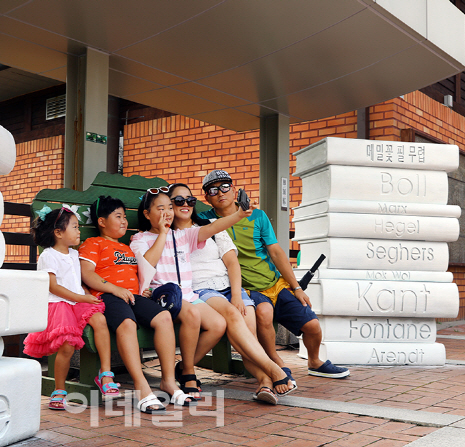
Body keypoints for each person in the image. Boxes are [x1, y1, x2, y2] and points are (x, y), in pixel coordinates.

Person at [131, 186, 294, 399]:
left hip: (187, 294)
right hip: (163, 296)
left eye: (169, 207)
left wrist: (239, 214)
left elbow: (212, 228)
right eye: (161, 208)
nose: (168, 212)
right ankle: (189, 370)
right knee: (193, 315)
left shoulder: (182, 236)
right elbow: (148, 264)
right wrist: (162, 233)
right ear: (146, 214)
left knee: (218, 324)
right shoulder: (140, 239)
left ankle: (186, 367)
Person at [198, 170, 350, 382]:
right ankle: (275, 361)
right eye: (213, 190)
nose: (220, 193)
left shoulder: (257, 216)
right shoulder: (205, 220)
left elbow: (276, 252)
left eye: (225, 187)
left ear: (234, 190)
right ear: (206, 197)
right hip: (246, 289)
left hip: (275, 283)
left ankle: (314, 361)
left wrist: (296, 287)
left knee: (312, 325)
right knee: (264, 312)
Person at [79, 196, 196, 413]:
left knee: (164, 317)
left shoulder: (127, 247)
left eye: (125, 216)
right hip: (108, 295)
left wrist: (143, 288)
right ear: (102, 222)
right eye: (118, 216)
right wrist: (115, 289)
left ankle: (168, 381)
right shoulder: (93, 243)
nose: (124, 221)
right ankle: (142, 387)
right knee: (127, 323)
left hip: (133, 295)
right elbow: (86, 274)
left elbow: (139, 273)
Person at [23, 207, 120, 411]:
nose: (79, 231)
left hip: (78, 300)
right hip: (59, 303)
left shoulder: (75, 254)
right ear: (58, 232)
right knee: (66, 345)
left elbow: (77, 280)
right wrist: (80, 297)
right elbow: (53, 286)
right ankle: (59, 390)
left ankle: (105, 373)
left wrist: (85, 295)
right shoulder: (48, 256)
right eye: (75, 227)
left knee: (100, 321)